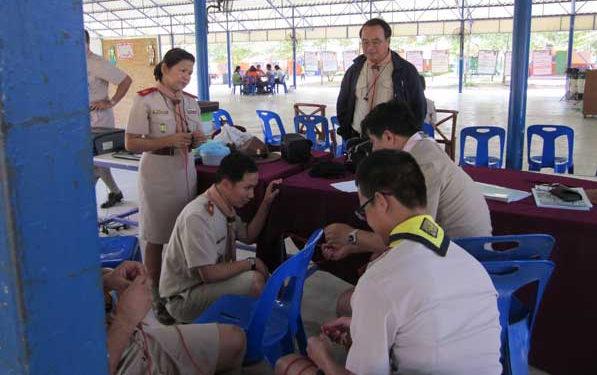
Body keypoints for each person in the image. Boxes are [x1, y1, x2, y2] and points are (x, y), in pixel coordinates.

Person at [275, 150, 502, 375]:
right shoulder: (471, 265)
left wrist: (324, 359)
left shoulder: (380, 280)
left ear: (381, 202)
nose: (366, 220)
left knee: (288, 365)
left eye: (363, 210)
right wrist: (363, 326)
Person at [325, 100, 491, 316]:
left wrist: (352, 237)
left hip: (459, 269)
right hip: (454, 258)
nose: (373, 151)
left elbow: (413, 240)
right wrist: (353, 246)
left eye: (373, 143)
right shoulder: (423, 149)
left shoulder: (424, 165)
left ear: (388, 136)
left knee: (351, 302)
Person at [125, 48, 206, 320]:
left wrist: (198, 139)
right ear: (165, 68)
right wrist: (168, 140)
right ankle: (155, 295)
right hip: (158, 173)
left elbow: (198, 133)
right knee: (156, 237)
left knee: (183, 233)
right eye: (182, 70)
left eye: (190, 73)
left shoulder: (191, 102)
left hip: (185, 170)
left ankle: (179, 289)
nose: (186, 77)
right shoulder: (145, 100)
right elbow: (131, 142)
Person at [160, 152, 282, 324]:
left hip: (205, 285)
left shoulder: (224, 206)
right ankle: (256, 332)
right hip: (184, 298)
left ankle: (250, 324)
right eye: (247, 188)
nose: (252, 195)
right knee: (254, 281)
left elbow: (247, 236)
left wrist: (266, 203)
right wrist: (252, 262)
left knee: (253, 278)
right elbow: (209, 274)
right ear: (226, 184)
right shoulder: (198, 216)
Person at [104, 260, 245, 375]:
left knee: (235, 340)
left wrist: (104, 281)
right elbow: (208, 274)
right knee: (253, 283)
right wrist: (125, 321)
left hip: (126, 339)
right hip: (114, 356)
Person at [336, 18, 426, 141]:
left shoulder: (406, 71)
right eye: (365, 42)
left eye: (376, 42)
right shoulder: (354, 70)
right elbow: (343, 104)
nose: (370, 47)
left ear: (388, 41)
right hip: (357, 137)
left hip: (390, 142)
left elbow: (418, 111)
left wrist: (403, 141)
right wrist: (347, 134)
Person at [85, 30, 133, 208]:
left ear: (87, 43)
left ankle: (84, 202)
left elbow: (126, 81)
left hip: (99, 119)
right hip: (82, 119)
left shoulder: (96, 63)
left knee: (97, 160)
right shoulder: (72, 63)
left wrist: (111, 102)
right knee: (95, 161)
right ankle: (114, 192)